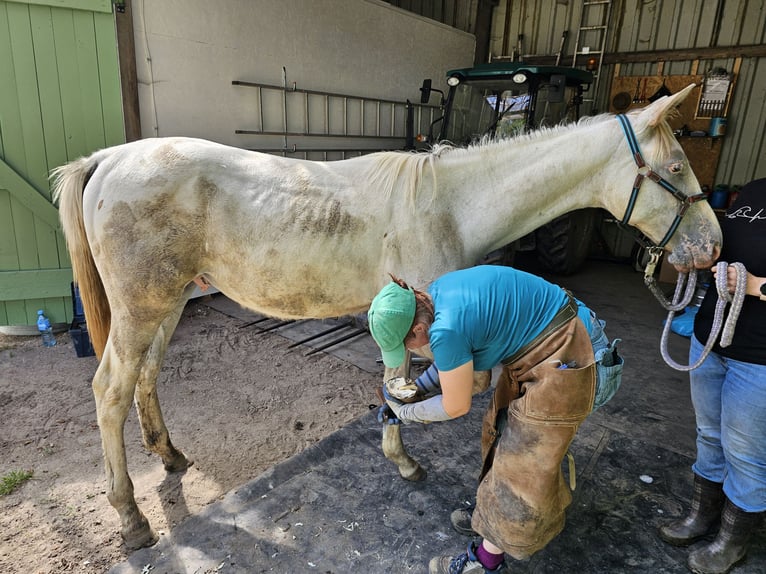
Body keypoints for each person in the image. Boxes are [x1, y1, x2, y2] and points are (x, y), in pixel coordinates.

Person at [367, 264, 623, 574]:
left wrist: (404, 412)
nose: (407, 351)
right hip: (552, 344)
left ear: (418, 330)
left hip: (575, 359)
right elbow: (453, 364)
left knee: (521, 461)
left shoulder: (445, 330)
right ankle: (492, 520)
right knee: (499, 431)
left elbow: (455, 405)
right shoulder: (434, 296)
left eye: (404, 345)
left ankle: (485, 562)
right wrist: (414, 392)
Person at [658, 177, 766, 574]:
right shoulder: (755, 190)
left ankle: (731, 541)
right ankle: (702, 517)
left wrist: (757, 286)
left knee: (746, 452)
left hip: (759, 358)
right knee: (709, 434)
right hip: (710, 341)